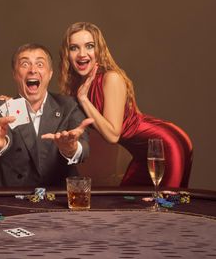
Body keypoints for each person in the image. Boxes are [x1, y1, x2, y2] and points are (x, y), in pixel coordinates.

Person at [59, 22, 193, 187]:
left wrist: (84, 99)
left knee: (164, 207)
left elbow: (113, 135)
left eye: (89, 46)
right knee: (132, 205)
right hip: (140, 154)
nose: (82, 54)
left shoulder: (111, 78)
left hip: (162, 147)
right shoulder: (78, 86)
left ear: (98, 50)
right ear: (67, 54)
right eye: (74, 48)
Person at [0, 43, 93, 187]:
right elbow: (0, 139)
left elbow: (84, 149)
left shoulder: (69, 106)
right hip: (9, 196)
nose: (33, 70)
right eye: (25, 64)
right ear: (15, 74)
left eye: (40, 64)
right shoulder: (0, 108)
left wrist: (71, 148)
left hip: (59, 197)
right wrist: (0, 144)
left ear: (50, 73)